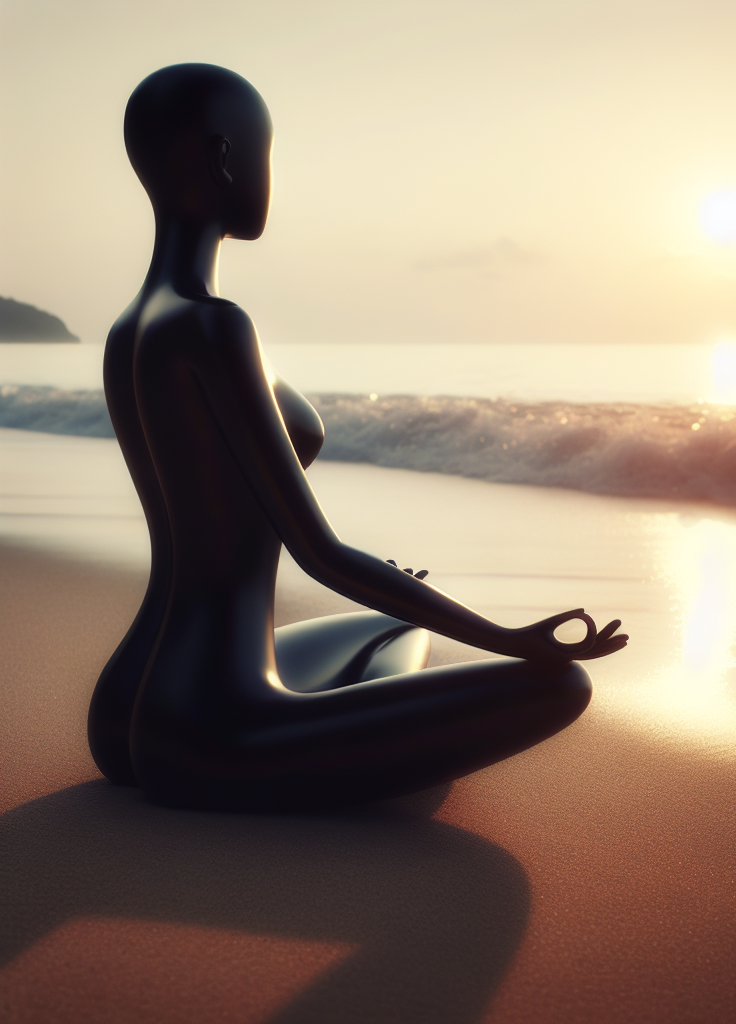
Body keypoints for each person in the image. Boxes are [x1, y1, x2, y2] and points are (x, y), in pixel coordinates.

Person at [88, 63, 627, 811]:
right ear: (224, 159)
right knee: (562, 685)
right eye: (264, 153)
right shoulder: (215, 327)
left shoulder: (132, 327)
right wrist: (509, 638)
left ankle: (360, 695)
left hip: (130, 699)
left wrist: (404, 595)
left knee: (393, 626)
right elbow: (322, 554)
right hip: (215, 725)